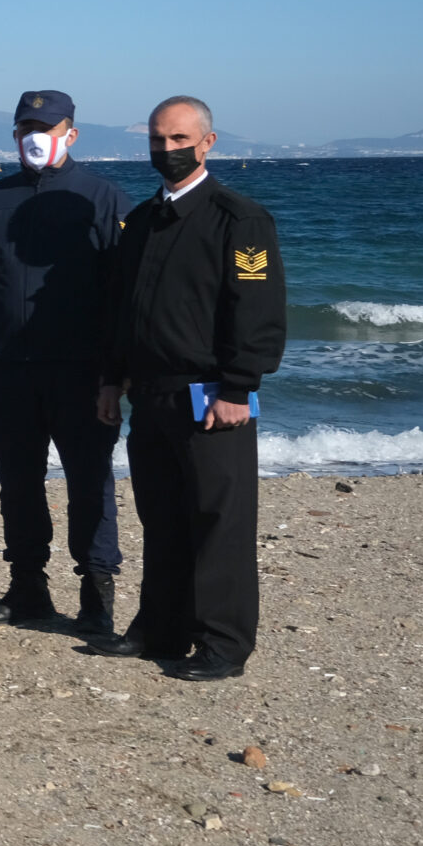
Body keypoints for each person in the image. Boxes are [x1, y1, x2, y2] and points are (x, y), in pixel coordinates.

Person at [96, 97, 285, 682]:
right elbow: (123, 309)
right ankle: (162, 628)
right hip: (150, 396)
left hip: (212, 397)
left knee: (218, 522)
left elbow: (257, 310)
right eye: (158, 140)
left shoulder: (240, 219)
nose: (168, 150)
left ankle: (224, 645)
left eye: (180, 139)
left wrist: (238, 384)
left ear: (208, 142)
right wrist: (111, 377)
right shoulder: (143, 222)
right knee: (162, 518)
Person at [0, 89, 132, 631]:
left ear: (70, 134)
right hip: (9, 370)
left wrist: (115, 373)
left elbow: (125, 293)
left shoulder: (101, 198)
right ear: (13, 135)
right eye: (27, 126)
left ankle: (97, 595)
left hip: (81, 373)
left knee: (89, 482)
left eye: (47, 127)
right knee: (18, 484)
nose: (36, 136)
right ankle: (28, 587)